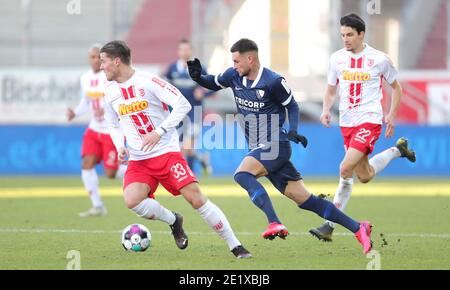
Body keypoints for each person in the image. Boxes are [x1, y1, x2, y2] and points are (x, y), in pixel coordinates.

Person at [187, 38, 373, 254]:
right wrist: (198, 77)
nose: (235, 65)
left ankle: (274, 222)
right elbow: (213, 82)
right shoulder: (233, 75)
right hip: (261, 147)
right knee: (306, 201)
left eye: (237, 61)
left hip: (276, 144)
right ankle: (358, 228)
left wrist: (293, 130)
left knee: (242, 175)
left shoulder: (273, 81)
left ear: (251, 58)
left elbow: (292, 105)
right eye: (233, 62)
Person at [100, 40, 251, 259]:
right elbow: (113, 124)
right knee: (132, 200)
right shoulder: (109, 91)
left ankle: (235, 245)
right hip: (139, 159)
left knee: (196, 199)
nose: (101, 66)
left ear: (116, 61)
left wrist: (159, 131)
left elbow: (183, 104)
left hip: (166, 153)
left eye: (104, 61)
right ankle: (174, 220)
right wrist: (119, 146)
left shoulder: (149, 81)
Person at [309, 13, 416, 241]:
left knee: (345, 168)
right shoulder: (336, 59)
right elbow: (330, 90)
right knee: (364, 175)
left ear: (361, 34)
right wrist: (326, 110)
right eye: (342, 35)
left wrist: (392, 114)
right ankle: (399, 150)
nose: (345, 39)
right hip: (347, 123)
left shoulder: (379, 59)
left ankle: (329, 225)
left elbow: (397, 88)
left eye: (349, 35)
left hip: (369, 120)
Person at [67, 44, 127, 217]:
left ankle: (136, 170)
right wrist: (75, 113)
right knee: (87, 163)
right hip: (94, 129)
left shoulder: (109, 76)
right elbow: (86, 102)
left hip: (110, 130)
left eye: (98, 58)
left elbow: (119, 100)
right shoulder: (85, 78)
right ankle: (98, 206)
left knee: (110, 173)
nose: (95, 60)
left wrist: (108, 110)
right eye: (92, 57)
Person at [165, 39, 212, 175]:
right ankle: (202, 159)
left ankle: (188, 173)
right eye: (182, 49)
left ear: (191, 51)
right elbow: (164, 86)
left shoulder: (199, 68)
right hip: (178, 113)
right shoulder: (172, 68)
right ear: (178, 52)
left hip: (194, 113)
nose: (184, 52)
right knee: (181, 146)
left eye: (187, 49)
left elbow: (213, 86)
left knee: (187, 144)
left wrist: (203, 91)